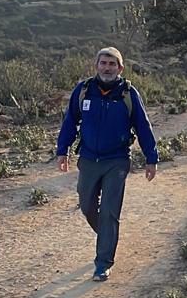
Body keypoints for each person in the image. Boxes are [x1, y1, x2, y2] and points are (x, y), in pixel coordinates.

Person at [56, 47, 158, 283]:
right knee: (86, 205)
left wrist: (151, 158)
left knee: (110, 211)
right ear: (97, 65)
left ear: (120, 68)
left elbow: (143, 126)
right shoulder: (83, 91)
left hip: (117, 160)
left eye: (112, 64)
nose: (107, 68)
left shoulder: (128, 94)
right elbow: (70, 121)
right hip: (89, 158)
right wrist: (63, 151)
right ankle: (108, 237)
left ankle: (103, 263)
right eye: (103, 63)